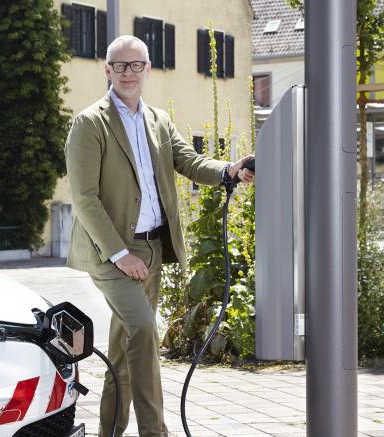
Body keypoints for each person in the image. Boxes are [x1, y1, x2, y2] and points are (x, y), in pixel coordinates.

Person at [64, 35, 254, 437]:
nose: (129, 72)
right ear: (108, 71)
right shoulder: (90, 123)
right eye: (120, 65)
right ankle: (155, 432)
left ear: (148, 70)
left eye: (136, 65)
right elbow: (84, 198)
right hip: (111, 251)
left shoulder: (157, 120)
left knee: (124, 348)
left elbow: (190, 161)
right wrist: (119, 254)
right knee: (144, 331)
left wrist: (229, 169)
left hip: (152, 248)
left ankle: (109, 432)